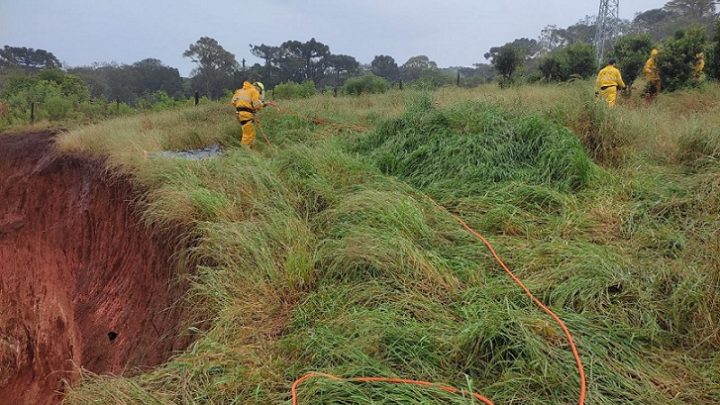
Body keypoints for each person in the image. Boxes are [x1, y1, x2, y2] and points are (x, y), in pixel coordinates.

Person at [231, 81, 266, 147]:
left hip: (239, 114)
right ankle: (244, 153)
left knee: (249, 133)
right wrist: (263, 104)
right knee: (248, 136)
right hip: (246, 115)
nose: (259, 93)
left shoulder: (239, 91)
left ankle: (251, 151)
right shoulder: (254, 91)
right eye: (260, 91)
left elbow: (233, 102)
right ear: (258, 88)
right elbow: (257, 106)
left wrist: (245, 106)